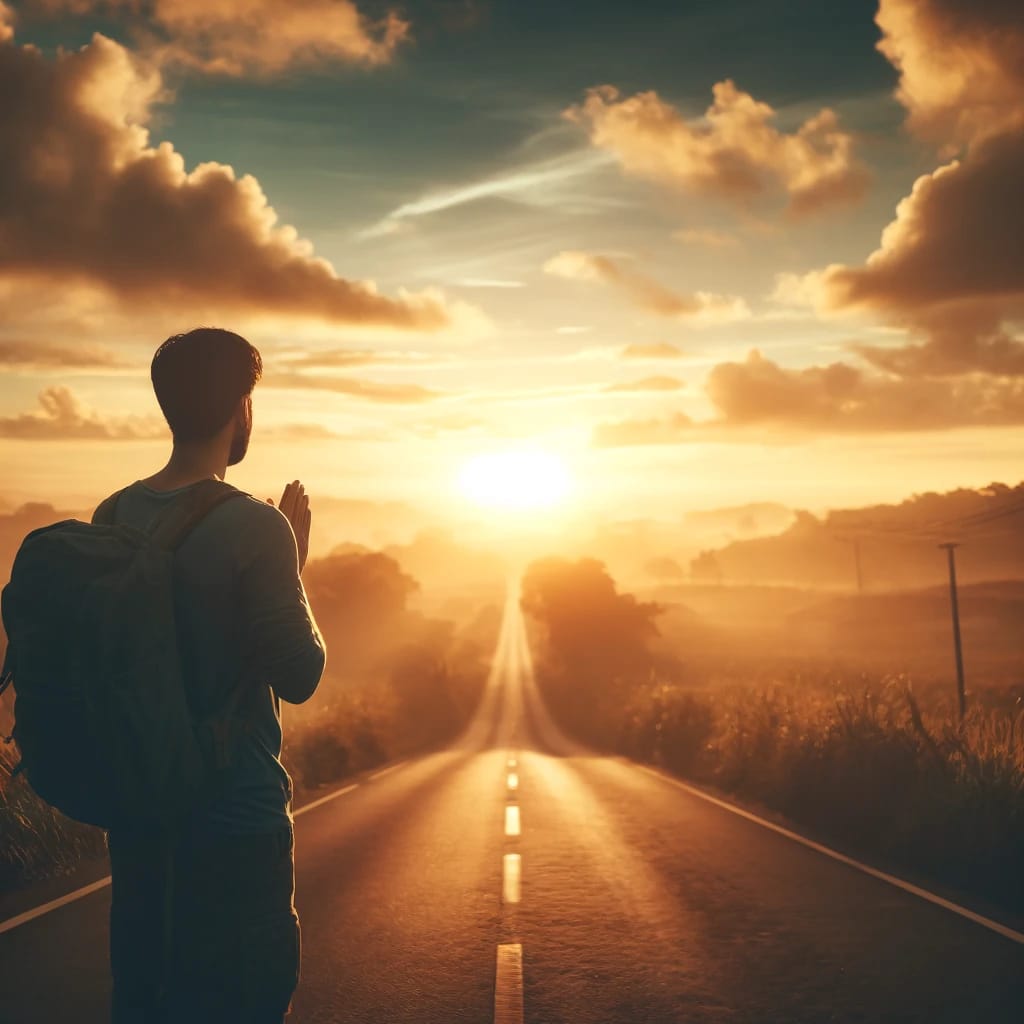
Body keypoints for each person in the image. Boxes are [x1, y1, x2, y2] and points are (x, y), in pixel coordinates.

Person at [98, 327, 326, 1023]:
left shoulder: (114, 514)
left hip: (140, 817)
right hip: (235, 818)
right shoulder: (257, 526)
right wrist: (295, 570)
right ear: (242, 408)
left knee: (147, 996)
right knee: (247, 997)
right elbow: (301, 674)